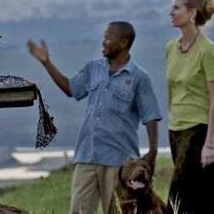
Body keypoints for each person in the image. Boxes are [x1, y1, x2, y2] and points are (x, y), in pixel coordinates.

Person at [28, 21, 162, 214]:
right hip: (87, 157)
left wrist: (153, 152)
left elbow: (151, 116)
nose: (103, 42)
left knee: (116, 211)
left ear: (124, 43)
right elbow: (70, 89)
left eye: (108, 37)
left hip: (119, 161)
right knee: (79, 211)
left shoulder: (139, 77)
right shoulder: (93, 69)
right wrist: (46, 62)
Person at [164, 0, 214, 213]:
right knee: (193, 195)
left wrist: (210, 143)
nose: (171, 12)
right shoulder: (171, 48)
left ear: (191, 13)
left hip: (199, 130)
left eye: (176, 8)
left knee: (179, 196)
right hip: (176, 129)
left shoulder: (208, 51)